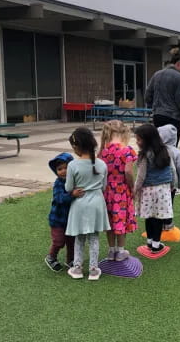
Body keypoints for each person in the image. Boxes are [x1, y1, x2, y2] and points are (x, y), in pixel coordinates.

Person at [66, 127, 110, 281]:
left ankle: (77, 268)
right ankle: (93, 269)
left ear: (77, 147)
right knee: (94, 237)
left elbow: (68, 188)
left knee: (80, 237)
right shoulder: (102, 164)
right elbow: (104, 186)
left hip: (79, 203)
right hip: (97, 203)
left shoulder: (73, 165)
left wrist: (74, 192)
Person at [98, 120, 137, 262]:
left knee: (110, 220)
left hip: (107, 191)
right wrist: (132, 187)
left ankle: (111, 250)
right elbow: (128, 171)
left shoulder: (103, 151)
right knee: (121, 219)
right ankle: (120, 251)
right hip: (121, 190)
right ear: (125, 133)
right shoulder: (126, 150)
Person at [134, 124, 177, 254]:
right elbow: (172, 170)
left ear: (147, 139)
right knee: (159, 217)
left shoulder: (144, 155)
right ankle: (156, 245)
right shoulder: (165, 151)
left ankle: (150, 241)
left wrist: (135, 189)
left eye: (139, 139)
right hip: (163, 190)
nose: (137, 142)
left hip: (148, 190)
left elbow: (141, 175)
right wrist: (173, 185)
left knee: (149, 216)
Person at [45, 152, 84, 272]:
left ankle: (70, 260)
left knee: (71, 241)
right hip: (58, 219)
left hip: (70, 219)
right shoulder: (58, 183)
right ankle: (51, 257)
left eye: (66, 168)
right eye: (59, 169)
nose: (63, 171)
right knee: (59, 241)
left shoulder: (75, 181)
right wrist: (72, 194)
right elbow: (59, 199)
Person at [145, 48, 180, 146]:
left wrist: (152, 107)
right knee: (171, 148)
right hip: (173, 117)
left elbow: (148, 95)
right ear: (179, 63)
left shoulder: (156, 74)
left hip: (157, 115)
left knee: (158, 146)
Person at [158, 124, 180, 230]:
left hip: (156, 182)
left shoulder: (154, 150)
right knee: (169, 202)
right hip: (170, 183)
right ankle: (168, 223)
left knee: (158, 201)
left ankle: (158, 223)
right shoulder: (175, 151)